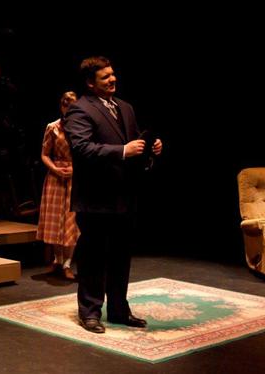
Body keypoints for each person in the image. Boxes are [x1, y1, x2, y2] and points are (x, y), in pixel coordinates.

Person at [63, 56, 163, 334]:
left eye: (113, 74)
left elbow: (132, 142)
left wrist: (149, 148)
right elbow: (82, 148)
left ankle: (119, 309)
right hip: (95, 198)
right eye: (105, 76)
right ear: (89, 83)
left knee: (121, 256)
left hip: (124, 196)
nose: (113, 79)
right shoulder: (79, 110)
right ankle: (90, 312)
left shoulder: (125, 107)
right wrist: (122, 151)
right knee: (94, 256)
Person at [36, 91, 81, 280]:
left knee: (72, 222)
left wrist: (76, 169)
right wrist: (55, 169)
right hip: (56, 176)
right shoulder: (53, 127)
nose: (68, 109)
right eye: (65, 105)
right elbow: (44, 153)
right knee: (55, 221)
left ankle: (67, 264)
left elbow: (89, 154)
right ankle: (57, 260)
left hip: (76, 176)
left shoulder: (83, 128)